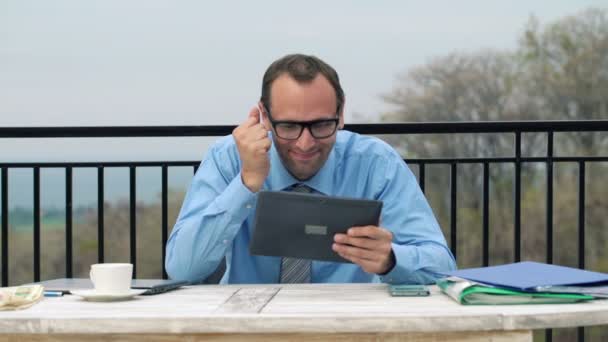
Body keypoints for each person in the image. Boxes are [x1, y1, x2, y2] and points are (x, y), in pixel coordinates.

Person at [165, 53, 456, 284]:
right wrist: (246, 183)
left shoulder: (377, 163)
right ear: (264, 116)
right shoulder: (229, 157)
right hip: (249, 327)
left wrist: (392, 259)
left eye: (320, 125)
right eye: (289, 126)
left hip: (351, 328)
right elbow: (181, 269)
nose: (305, 143)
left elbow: (442, 266)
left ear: (341, 115)